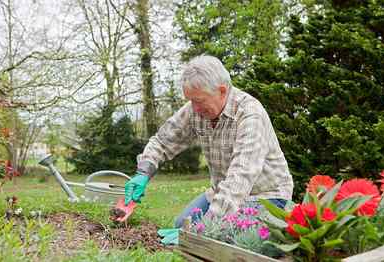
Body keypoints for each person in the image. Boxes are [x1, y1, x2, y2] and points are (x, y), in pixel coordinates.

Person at [121, 55, 293, 243]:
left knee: (231, 238)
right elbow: (163, 140)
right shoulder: (196, 108)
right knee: (182, 225)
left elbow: (240, 178)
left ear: (221, 91)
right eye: (190, 101)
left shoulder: (250, 114)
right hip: (221, 192)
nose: (194, 108)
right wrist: (143, 172)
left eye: (199, 101)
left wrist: (203, 230)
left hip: (266, 198)